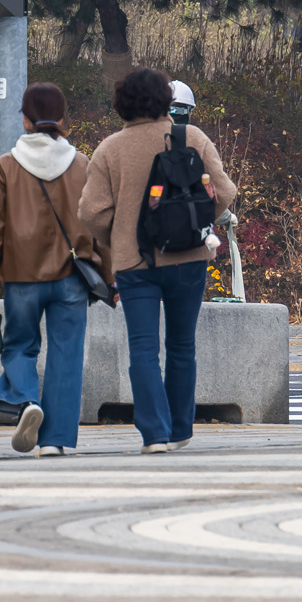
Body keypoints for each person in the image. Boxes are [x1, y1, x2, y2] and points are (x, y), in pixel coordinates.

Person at [79, 68, 237, 454]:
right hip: (189, 258)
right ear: (166, 101)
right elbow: (226, 192)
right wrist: (196, 221)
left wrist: (116, 240)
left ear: (122, 104)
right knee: (182, 346)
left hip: (136, 265)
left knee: (143, 350)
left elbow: (90, 214)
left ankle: (155, 434)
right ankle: (182, 427)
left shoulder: (109, 149)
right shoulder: (192, 137)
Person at [0, 83, 100, 456]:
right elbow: (97, 223)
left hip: (21, 276)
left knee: (19, 345)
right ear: (63, 119)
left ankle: (26, 399)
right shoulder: (83, 165)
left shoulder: (6, 166)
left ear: (26, 120)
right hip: (72, 277)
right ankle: (57, 440)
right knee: (67, 355)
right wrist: (107, 274)